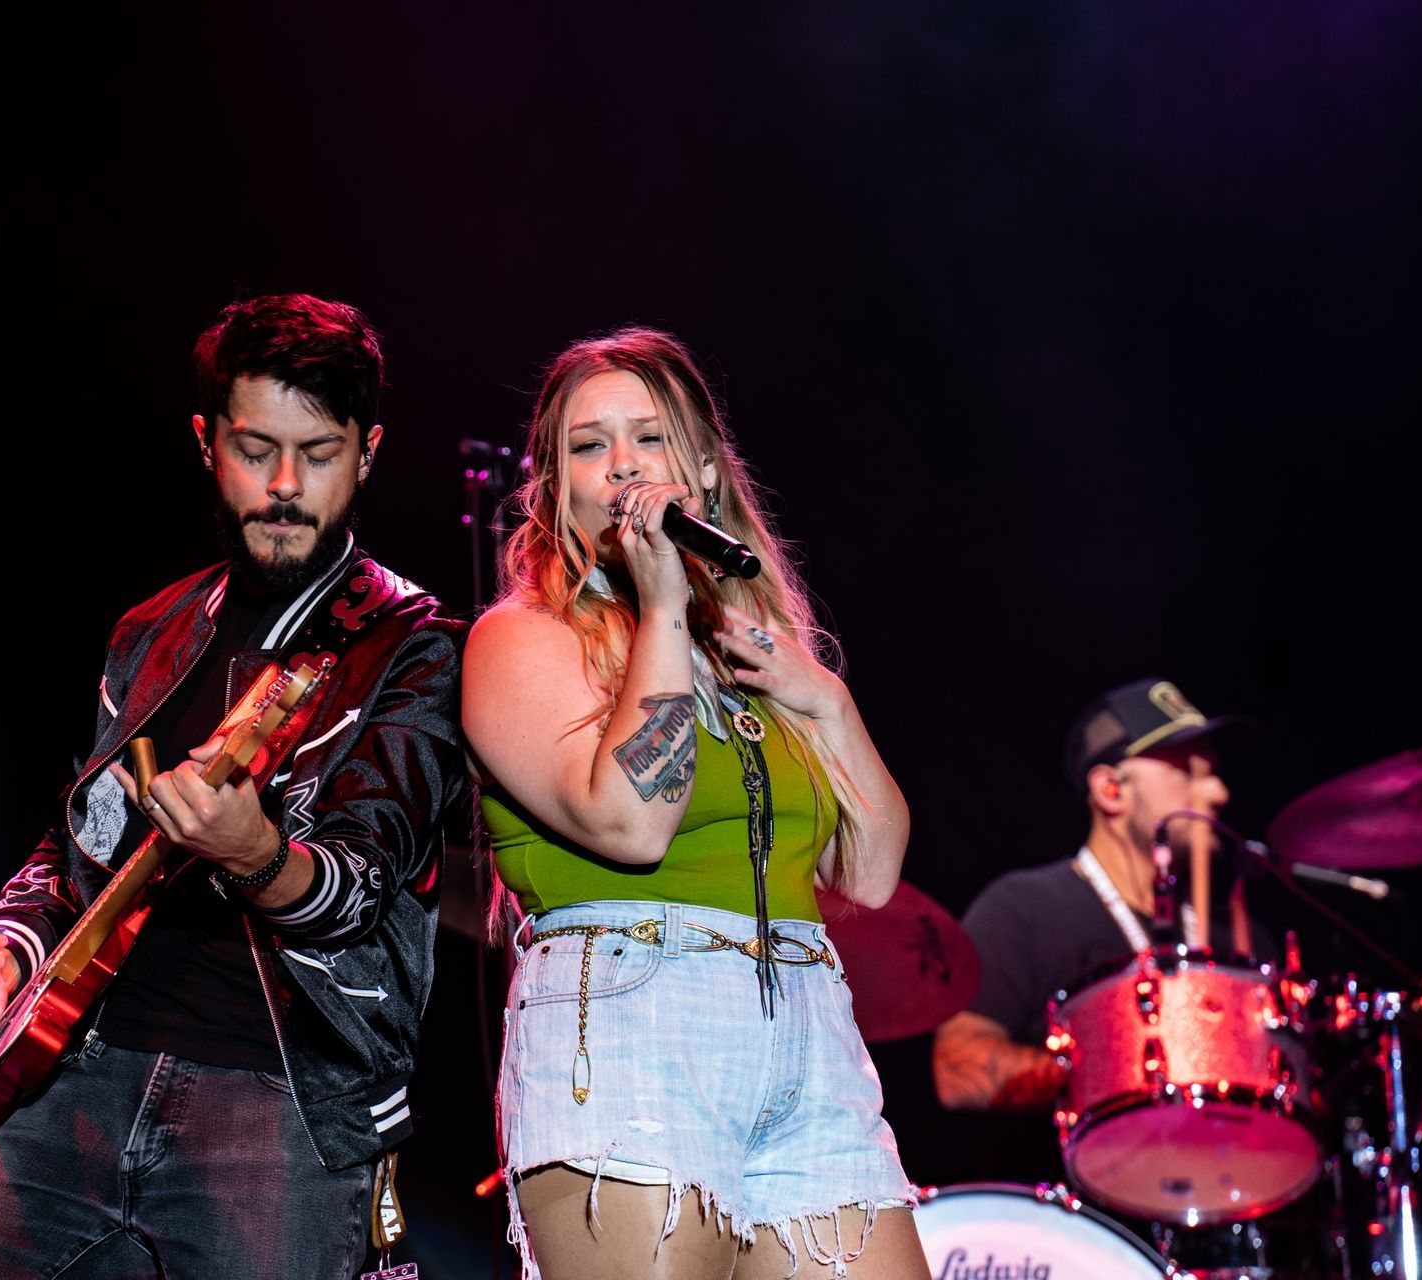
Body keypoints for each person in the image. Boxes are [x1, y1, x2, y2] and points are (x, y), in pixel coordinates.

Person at [0, 294, 470, 1280]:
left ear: (367, 451)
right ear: (206, 442)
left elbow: (368, 880)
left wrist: (258, 856)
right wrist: (11, 942)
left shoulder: (418, 648)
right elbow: (81, 840)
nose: (284, 484)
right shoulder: (150, 630)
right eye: (255, 449)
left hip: (286, 1100)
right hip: (80, 1070)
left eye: (318, 451)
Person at [464, 328, 927, 1280]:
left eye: (650, 439)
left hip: (806, 1023)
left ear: (706, 472)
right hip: (632, 1013)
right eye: (589, 448)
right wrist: (665, 610)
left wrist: (823, 697)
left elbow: (872, 873)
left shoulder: (754, 645)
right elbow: (631, 822)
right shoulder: (523, 638)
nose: (623, 467)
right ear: (557, 487)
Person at [931, 678, 1242, 1113]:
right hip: (1087, 1174)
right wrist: (1116, 1074)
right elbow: (957, 1071)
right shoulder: (1024, 909)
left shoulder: (1238, 941)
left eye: (1215, 773)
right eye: (1188, 772)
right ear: (1110, 789)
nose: (1217, 792)